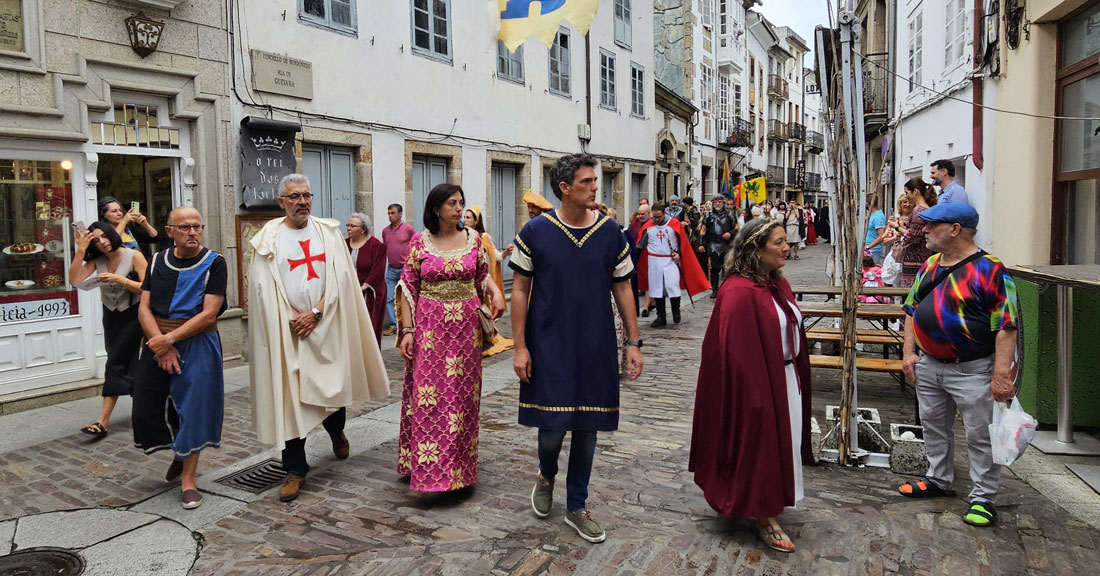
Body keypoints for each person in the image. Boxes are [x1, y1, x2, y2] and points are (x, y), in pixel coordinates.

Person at [510, 153, 643, 544]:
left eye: (595, 181)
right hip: (548, 341)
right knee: (552, 427)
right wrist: (520, 347)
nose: (595, 187)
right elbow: (519, 289)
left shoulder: (610, 232)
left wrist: (633, 342)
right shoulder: (536, 231)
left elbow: (622, 287)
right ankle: (546, 472)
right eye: (587, 182)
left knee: (588, 426)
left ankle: (577, 505)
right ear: (565, 187)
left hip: (595, 343)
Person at [248, 174, 390, 502]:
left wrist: (316, 312)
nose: (302, 202)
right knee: (290, 399)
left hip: (325, 323)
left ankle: (335, 428)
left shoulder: (327, 234)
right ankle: (295, 468)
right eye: (294, 197)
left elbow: (342, 282)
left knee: (331, 388)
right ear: (281, 202)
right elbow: (261, 290)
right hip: (288, 332)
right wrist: (290, 320)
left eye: (307, 195)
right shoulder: (267, 239)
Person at [690, 218, 814, 553]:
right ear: (756, 250)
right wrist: (756, 396)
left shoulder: (777, 284)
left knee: (780, 446)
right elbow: (735, 353)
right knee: (758, 444)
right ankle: (763, 516)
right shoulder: (738, 291)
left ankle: (769, 499)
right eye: (778, 242)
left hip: (784, 378)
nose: (786, 247)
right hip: (757, 386)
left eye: (786, 240)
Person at [897, 202, 1017, 528]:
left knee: (980, 435)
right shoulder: (931, 264)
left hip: (973, 368)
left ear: (954, 229)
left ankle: (983, 497)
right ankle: (939, 479)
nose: (924, 230)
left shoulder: (991, 269)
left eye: (931, 225)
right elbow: (911, 310)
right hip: (930, 365)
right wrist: (909, 353)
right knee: (934, 427)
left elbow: (1006, 326)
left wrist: (1001, 375)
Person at [397, 184, 506, 493]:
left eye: (461, 203)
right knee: (429, 399)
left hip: (466, 332)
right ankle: (429, 470)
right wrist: (407, 330)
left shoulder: (474, 240)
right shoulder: (420, 242)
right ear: (436, 209)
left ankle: (458, 472)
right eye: (452, 204)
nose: (459, 209)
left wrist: (496, 291)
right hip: (430, 330)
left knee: (461, 400)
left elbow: (482, 275)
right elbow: (407, 288)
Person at [131, 207, 226, 510]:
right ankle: (179, 451)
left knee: (194, 409)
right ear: (169, 230)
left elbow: (209, 313)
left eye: (197, 226)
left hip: (196, 343)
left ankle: (188, 479)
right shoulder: (157, 260)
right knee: (150, 406)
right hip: (157, 340)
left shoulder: (215, 263)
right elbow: (144, 307)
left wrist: (170, 340)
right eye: (185, 227)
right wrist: (160, 345)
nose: (193, 232)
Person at [69, 222, 148, 439]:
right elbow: (74, 280)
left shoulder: (134, 256)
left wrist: (119, 279)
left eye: (104, 236)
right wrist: (81, 250)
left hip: (135, 315)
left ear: (112, 234)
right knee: (126, 362)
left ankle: (103, 421)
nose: (102, 242)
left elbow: (149, 287)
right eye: (96, 240)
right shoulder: (98, 260)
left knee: (116, 362)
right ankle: (146, 411)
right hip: (111, 317)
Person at [636, 202, 710, 328]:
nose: (656, 219)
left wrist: (679, 254)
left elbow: (683, 242)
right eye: (654, 217)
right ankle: (661, 316)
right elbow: (641, 245)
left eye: (659, 217)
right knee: (657, 289)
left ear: (664, 213)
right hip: (654, 262)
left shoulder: (674, 224)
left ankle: (676, 311)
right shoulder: (648, 227)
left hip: (670, 260)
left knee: (672, 286)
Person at [464, 205, 515, 357]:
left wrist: (505, 252)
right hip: (468, 280)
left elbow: (496, 257)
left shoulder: (484, 237)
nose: (464, 220)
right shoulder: (462, 235)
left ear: (476, 221)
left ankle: (485, 337)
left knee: (482, 310)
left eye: (468, 217)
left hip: (481, 280)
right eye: (464, 217)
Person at [346, 213, 387, 345]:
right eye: (348, 225)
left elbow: (378, 271)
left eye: (352, 225)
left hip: (368, 294)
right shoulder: (344, 244)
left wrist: (362, 288)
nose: (348, 228)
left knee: (367, 327)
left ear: (362, 229)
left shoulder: (376, 246)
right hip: (348, 293)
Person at [383, 204, 416, 336]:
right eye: (389, 213)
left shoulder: (408, 229)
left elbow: (415, 245)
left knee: (407, 296)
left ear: (400, 214)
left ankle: (409, 324)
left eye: (393, 213)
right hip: (391, 269)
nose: (390, 216)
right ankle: (393, 325)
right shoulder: (385, 231)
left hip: (405, 268)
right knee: (390, 297)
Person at [898, 177, 938, 287]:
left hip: (914, 261)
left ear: (915, 192)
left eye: (907, 192)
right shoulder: (927, 209)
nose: (906, 196)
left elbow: (911, 236)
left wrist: (897, 228)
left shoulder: (918, 210)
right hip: (923, 257)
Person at [698, 195, 736, 298]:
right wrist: (701, 243)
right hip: (713, 243)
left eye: (719, 202)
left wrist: (730, 233)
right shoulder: (708, 215)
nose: (717, 204)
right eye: (715, 202)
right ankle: (715, 289)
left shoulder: (730, 215)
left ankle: (727, 288)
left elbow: (736, 228)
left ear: (723, 203)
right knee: (714, 267)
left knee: (727, 268)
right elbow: (703, 229)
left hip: (725, 243)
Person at [865, 194, 887, 265]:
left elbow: (881, 236)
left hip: (875, 251)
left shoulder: (878, 217)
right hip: (870, 251)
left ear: (867, 203)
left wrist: (869, 246)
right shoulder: (872, 215)